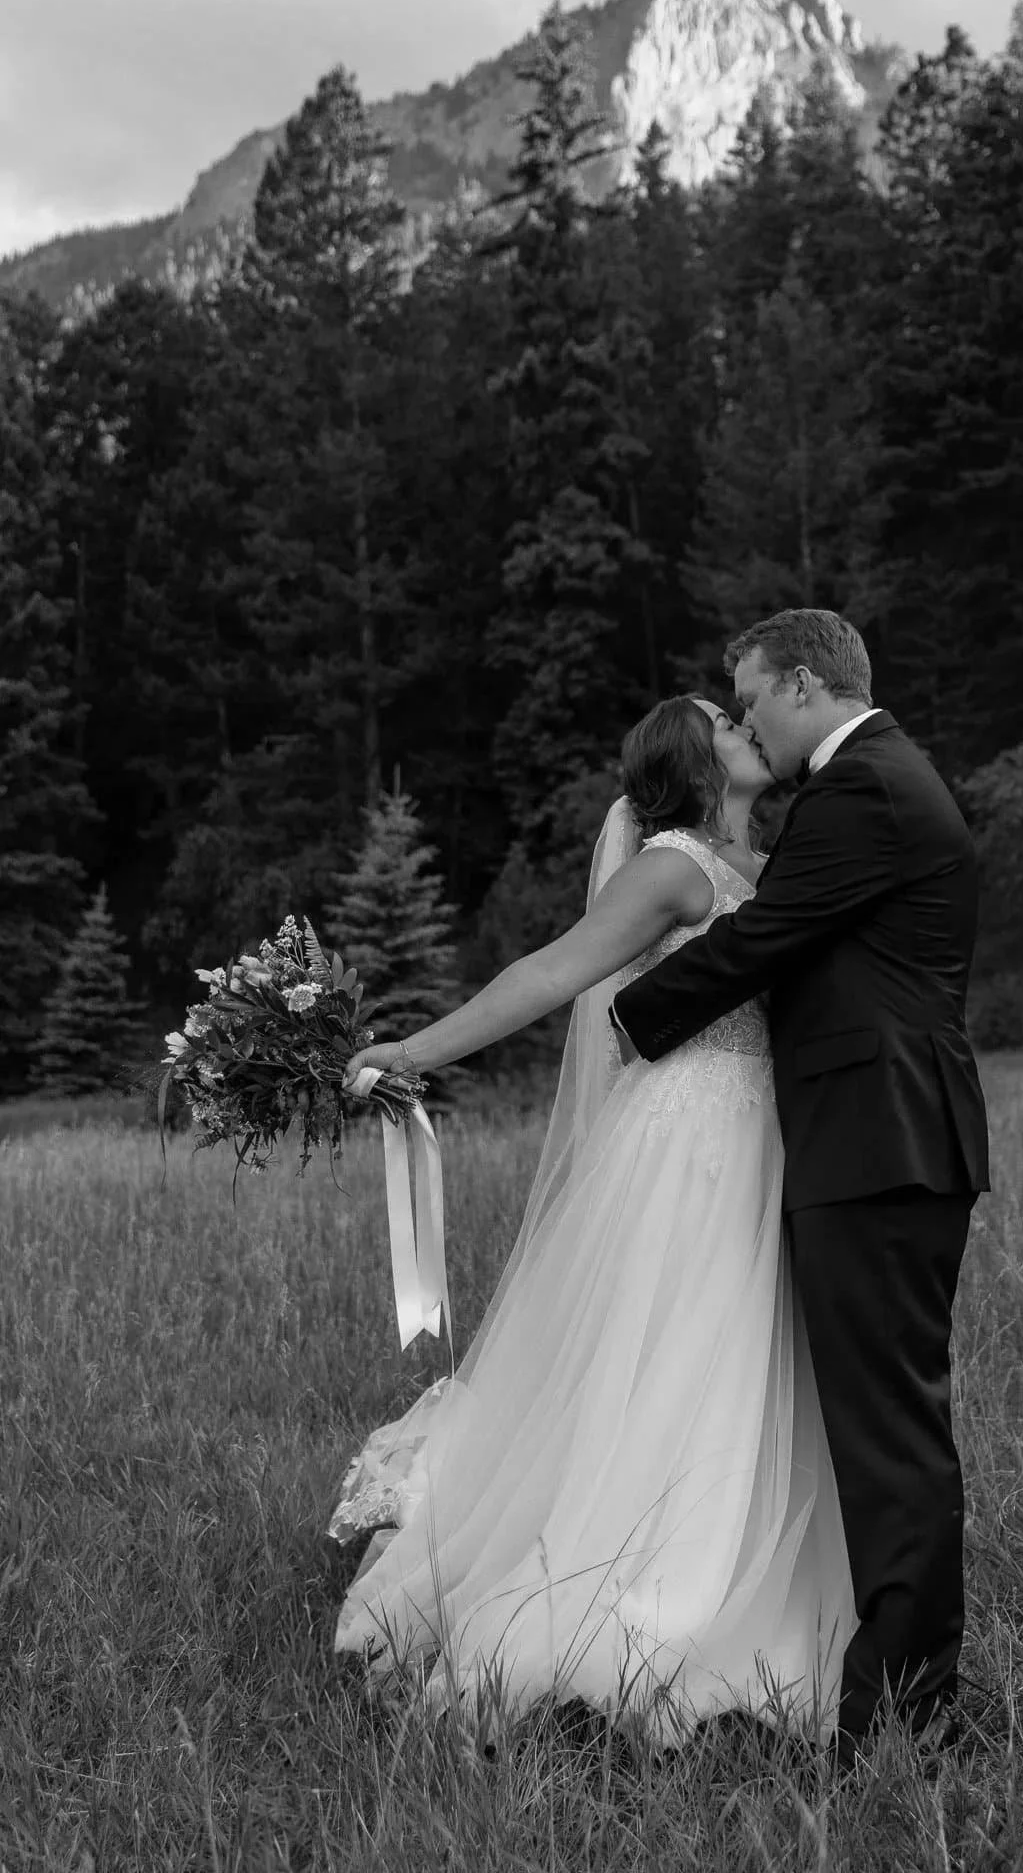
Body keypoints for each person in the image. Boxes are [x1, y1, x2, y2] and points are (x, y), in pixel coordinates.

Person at [332, 695, 856, 1750]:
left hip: (770, 1143)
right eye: (724, 717)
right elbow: (554, 970)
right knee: (675, 1358)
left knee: (745, 1365)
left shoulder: (768, 860)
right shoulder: (672, 866)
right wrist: (417, 1050)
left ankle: (743, 1577)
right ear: (690, 755)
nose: (747, 721)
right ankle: (637, 1606)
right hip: (692, 1142)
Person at [610, 610, 991, 1770]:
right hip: (875, 1138)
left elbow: (769, 934)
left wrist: (632, 1014)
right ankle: (890, 1683)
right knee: (879, 1424)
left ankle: (907, 1711)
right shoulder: (866, 780)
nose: (747, 722)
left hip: (881, 1142)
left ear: (806, 683)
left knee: (888, 1430)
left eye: (750, 696)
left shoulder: (866, 786)